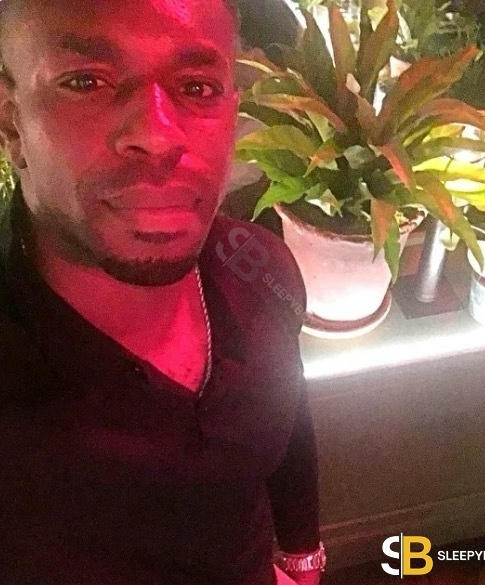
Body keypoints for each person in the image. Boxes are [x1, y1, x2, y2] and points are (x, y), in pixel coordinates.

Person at [0, 1, 324, 584]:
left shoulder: (261, 270)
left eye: (197, 87)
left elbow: (287, 416)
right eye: (86, 82)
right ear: (10, 122)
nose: (156, 135)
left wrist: (302, 557)